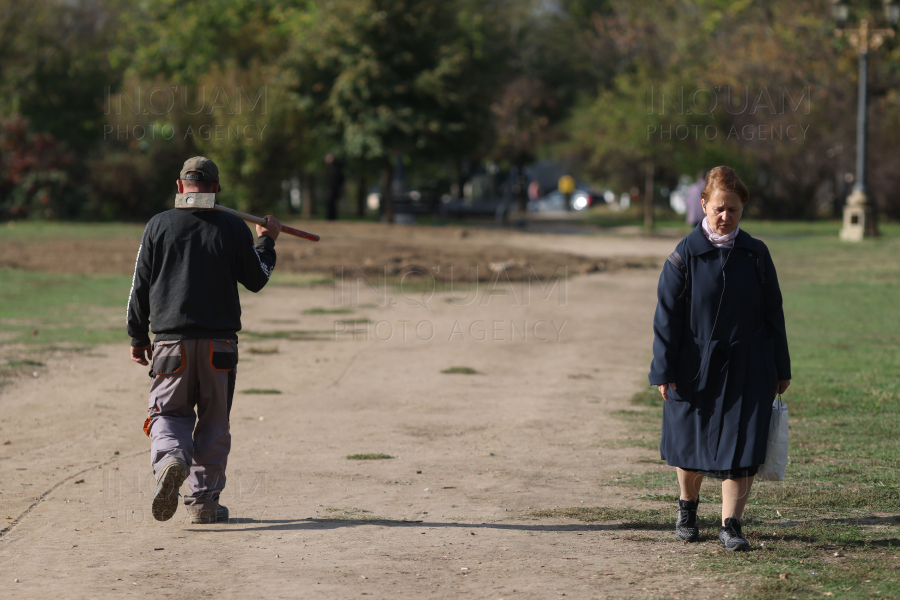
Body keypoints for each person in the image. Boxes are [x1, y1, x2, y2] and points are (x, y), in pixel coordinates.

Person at [127, 156, 283, 524]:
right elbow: (257, 278)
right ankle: (204, 504)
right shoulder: (232, 227)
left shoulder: (158, 226)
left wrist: (137, 335)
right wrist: (267, 242)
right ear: (216, 189)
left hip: (169, 346)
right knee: (213, 421)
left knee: (168, 413)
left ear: (180, 187)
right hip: (220, 348)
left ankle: (170, 461)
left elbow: (140, 286)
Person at [648, 166, 791, 551]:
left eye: (735, 210)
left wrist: (781, 366)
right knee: (689, 445)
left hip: (749, 364)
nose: (726, 217)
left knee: (742, 448)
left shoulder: (756, 254)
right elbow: (666, 317)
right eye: (719, 209)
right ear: (703, 205)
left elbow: (773, 313)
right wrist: (663, 368)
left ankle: (731, 525)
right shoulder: (684, 256)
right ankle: (688, 507)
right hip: (693, 366)